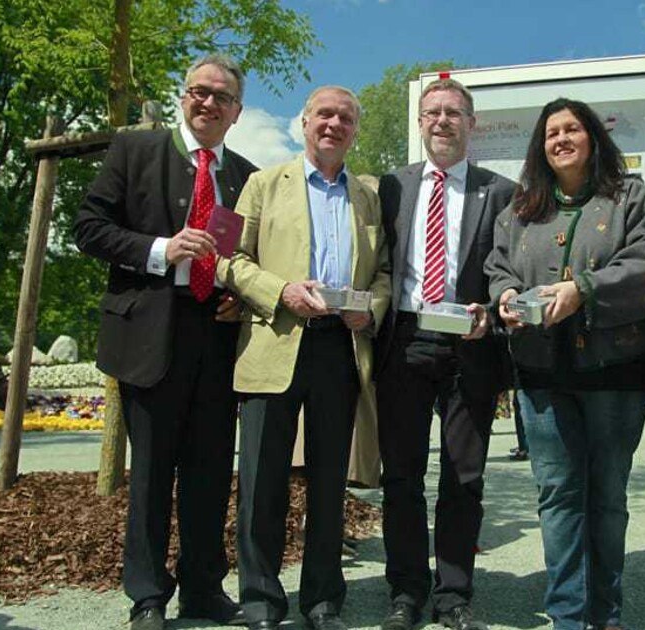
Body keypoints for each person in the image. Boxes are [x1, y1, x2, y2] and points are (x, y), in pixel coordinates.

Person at [74, 54, 255, 630]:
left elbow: (249, 259)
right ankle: (148, 596)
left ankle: (204, 589)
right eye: (199, 91)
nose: (207, 103)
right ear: (184, 97)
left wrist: (240, 297)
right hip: (150, 332)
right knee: (151, 475)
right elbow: (89, 227)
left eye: (220, 97)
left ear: (237, 112)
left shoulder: (247, 176)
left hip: (217, 337)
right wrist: (159, 250)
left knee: (207, 473)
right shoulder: (135, 150)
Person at [485, 98, 645, 630]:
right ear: (540, 147)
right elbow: (497, 265)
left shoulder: (629, 195)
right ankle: (567, 615)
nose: (561, 139)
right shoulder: (521, 208)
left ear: (592, 137)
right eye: (551, 133)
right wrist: (506, 295)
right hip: (542, 376)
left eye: (572, 129)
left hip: (617, 371)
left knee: (607, 497)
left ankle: (606, 614)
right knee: (559, 498)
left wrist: (583, 289)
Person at [217, 85, 390, 630]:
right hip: (275, 340)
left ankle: (321, 601)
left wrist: (373, 309)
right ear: (304, 122)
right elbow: (228, 260)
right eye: (324, 114)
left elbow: (383, 271)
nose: (333, 124)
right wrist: (280, 291)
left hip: (339, 348)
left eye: (345, 117)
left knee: (328, 483)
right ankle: (262, 602)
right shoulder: (263, 184)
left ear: (354, 130)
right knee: (262, 484)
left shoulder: (368, 195)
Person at [374, 78, 516, 630]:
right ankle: (405, 593)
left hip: (470, 345)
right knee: (401, 477)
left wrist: (492, 311)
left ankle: (454, 596)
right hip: (404, 343)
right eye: (431, 112)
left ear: (471, 123)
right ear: (419, 123)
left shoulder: (499, 192)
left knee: (465, 477)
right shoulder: (391, 186)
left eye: (453, 113)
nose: (441, 121)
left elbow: (506, 268)